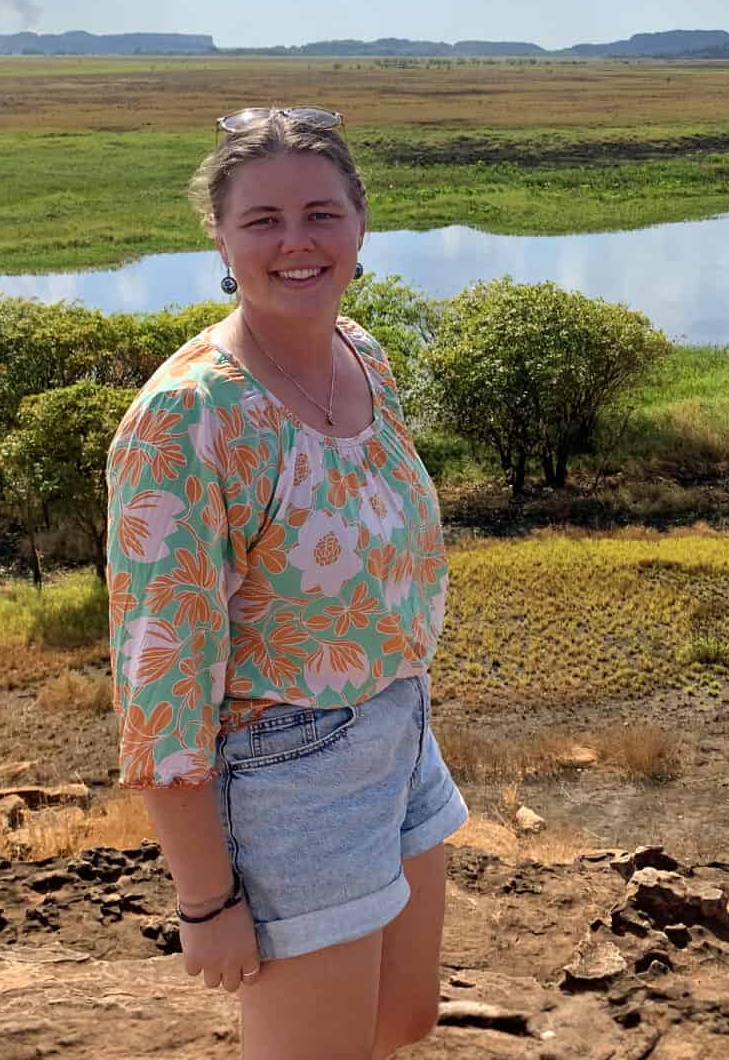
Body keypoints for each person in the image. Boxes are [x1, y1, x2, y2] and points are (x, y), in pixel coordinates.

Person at [106, 106, 464, 1059]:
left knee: (403, 1018)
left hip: (398, 727)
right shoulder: (189, 418)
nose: (295, 242)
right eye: (263, 220)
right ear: (220, 238)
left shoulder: (362, 355)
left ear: (360, 224)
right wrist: (206, 898)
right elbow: (159, 678)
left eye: (320, 214)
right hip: (288, 770)